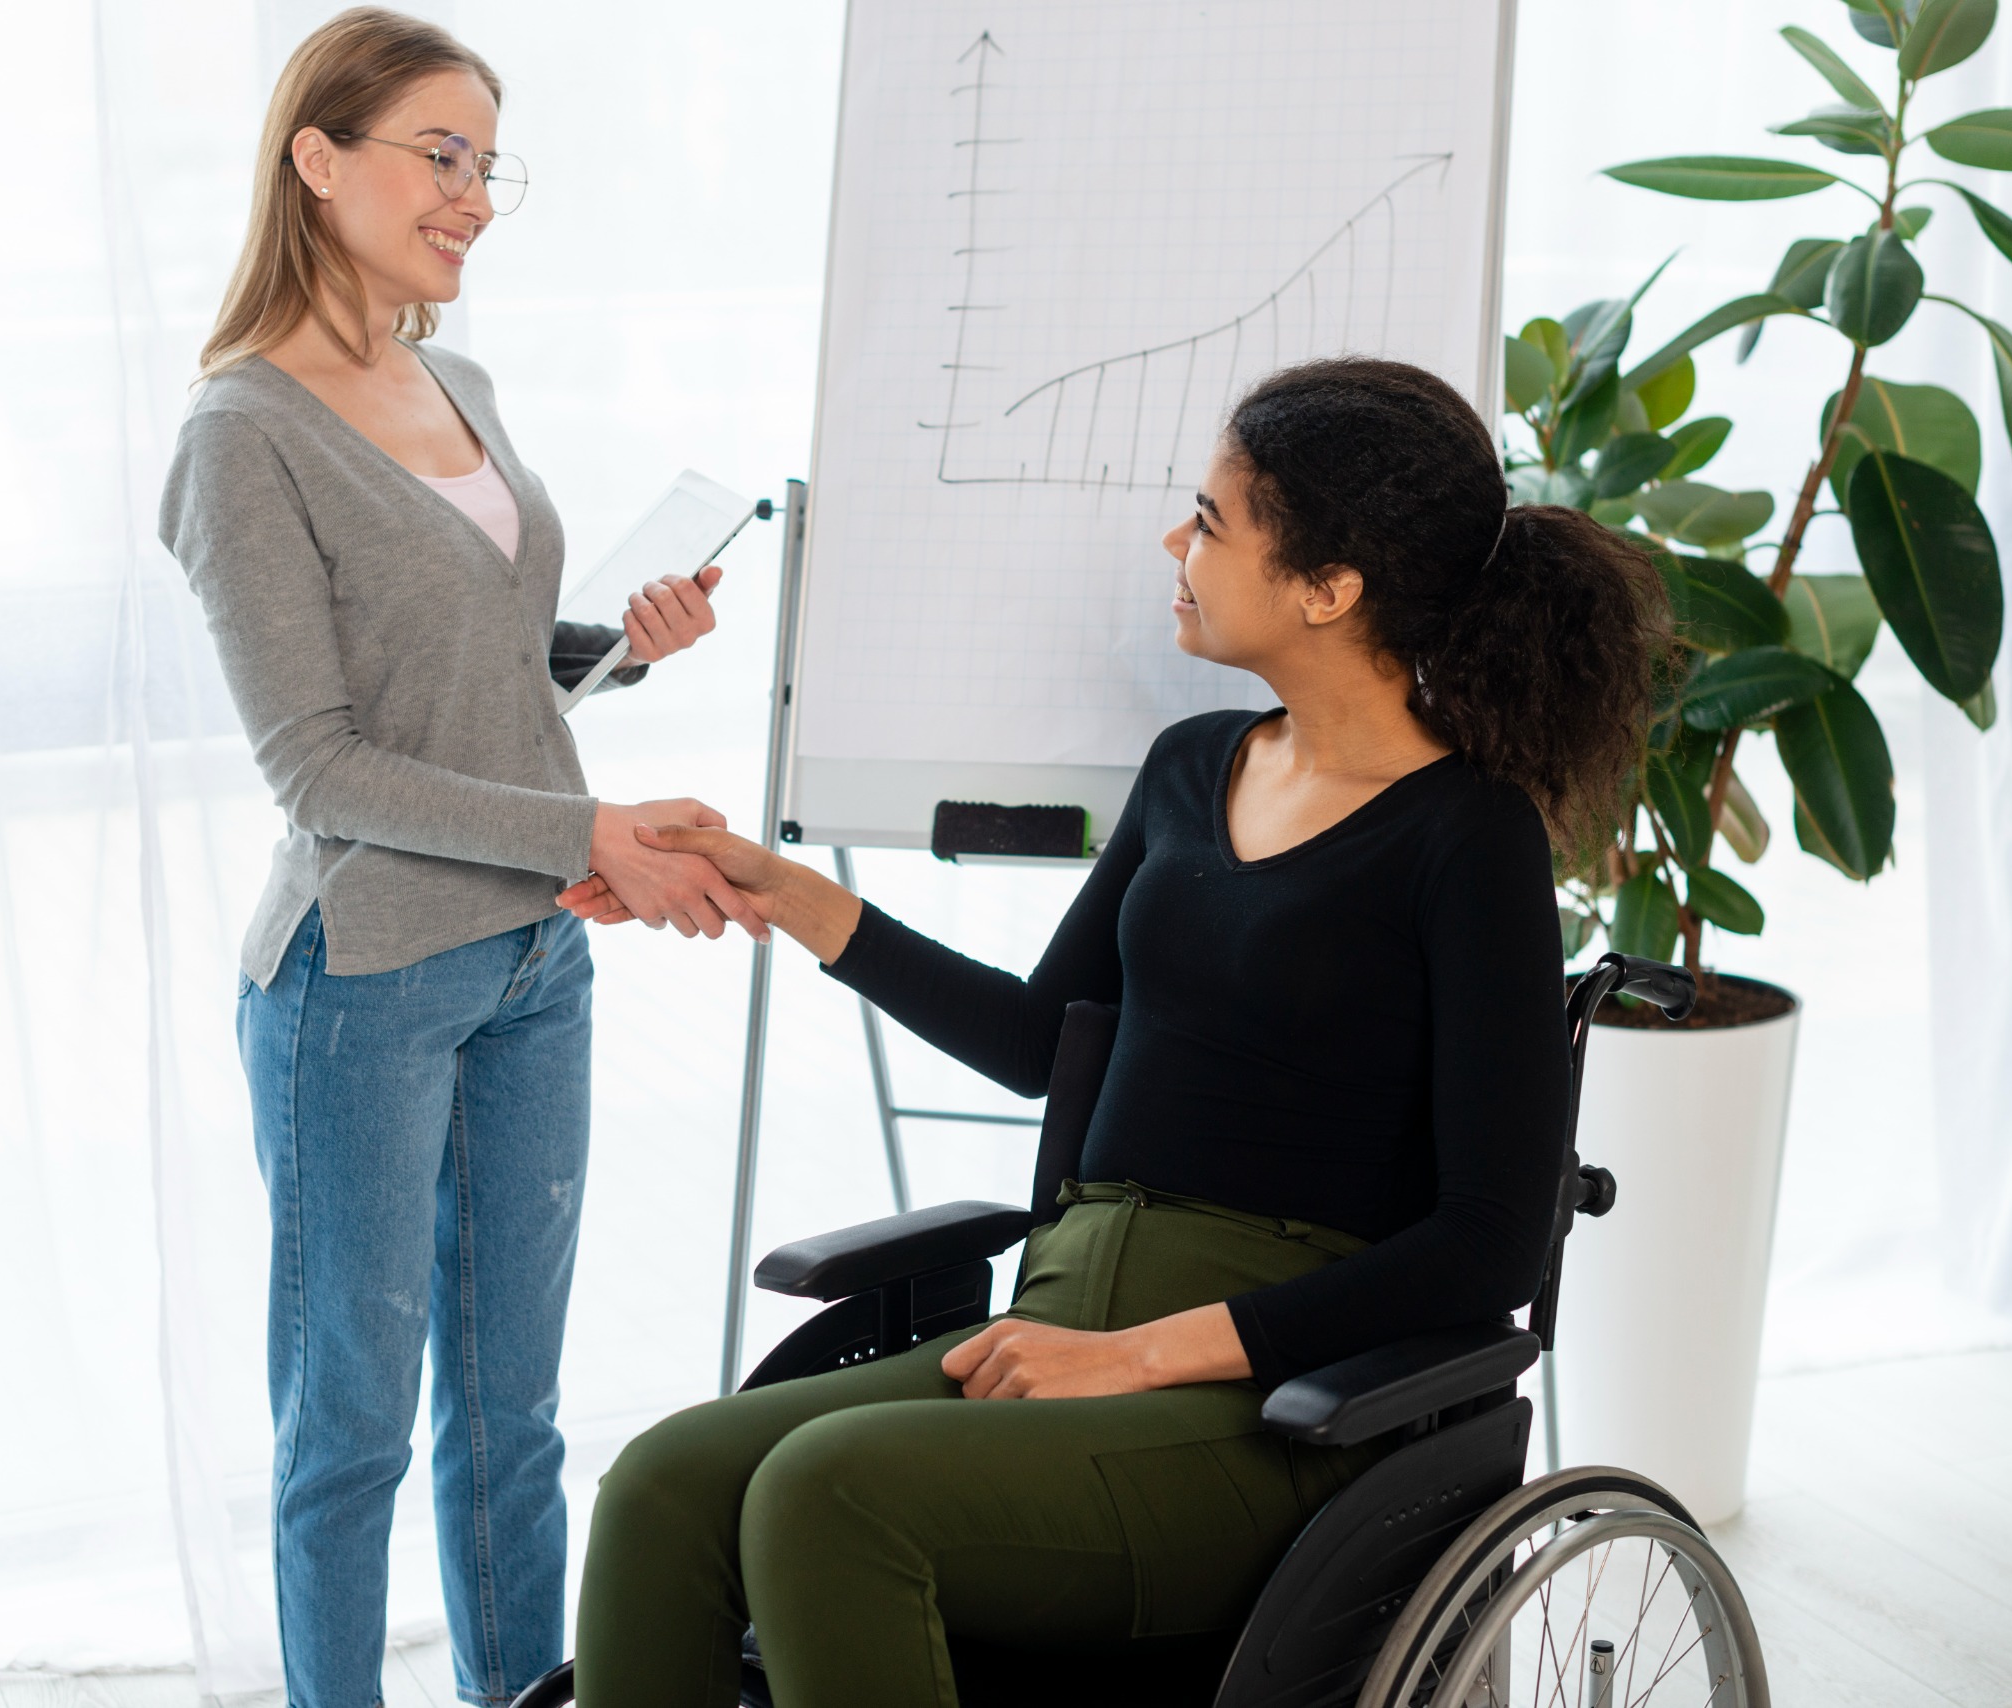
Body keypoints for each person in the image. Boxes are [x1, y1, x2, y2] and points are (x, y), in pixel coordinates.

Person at [555, 356, 1667, 1708]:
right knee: (665, 1483)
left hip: (1270, 1410)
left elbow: (1486, 1243)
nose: (1174, 544)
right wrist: (772, 884)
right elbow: (1041, 1039)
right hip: (1061, 1319)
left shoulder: (1467, 838)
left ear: (1330, 588)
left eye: (1211, 519)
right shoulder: (1196, 769)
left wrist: (1141, 1354)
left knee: (825, 1496)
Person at [156, 11, 765, 1705]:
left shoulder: (455, 379)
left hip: (530, 959)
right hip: (360, 983)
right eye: (441, 154)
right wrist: (590, 829)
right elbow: (323, 763)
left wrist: (617, 650)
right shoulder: (241, 436)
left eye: (487, 163)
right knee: (347, 1435)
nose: (474, 197)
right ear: (317, 160)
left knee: (513, 1419)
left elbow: (472, 671)